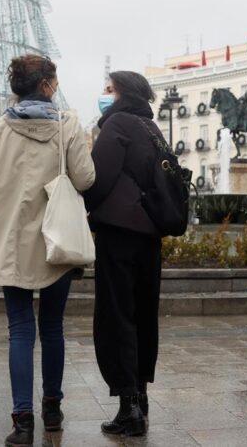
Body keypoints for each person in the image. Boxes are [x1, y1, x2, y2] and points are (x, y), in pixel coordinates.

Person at [0, 55, 95, 447]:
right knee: (54, 326)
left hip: (10, 243)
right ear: (46, 84)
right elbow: (86, 178)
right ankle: (53, 409)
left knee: (20, 330)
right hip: (55, 241)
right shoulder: (68, 126)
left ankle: (22, 421)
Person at [84, 71, 165, 437]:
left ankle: (127, 406)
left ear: (121, 93)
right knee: (144, 314)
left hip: (118, 234)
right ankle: (141, 397)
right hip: (149, 234)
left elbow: (96, 180)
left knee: (117, 316)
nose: (103, 94)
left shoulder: (117, 124)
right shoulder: (150, 127)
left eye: (108, 89)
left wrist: (86, 209)